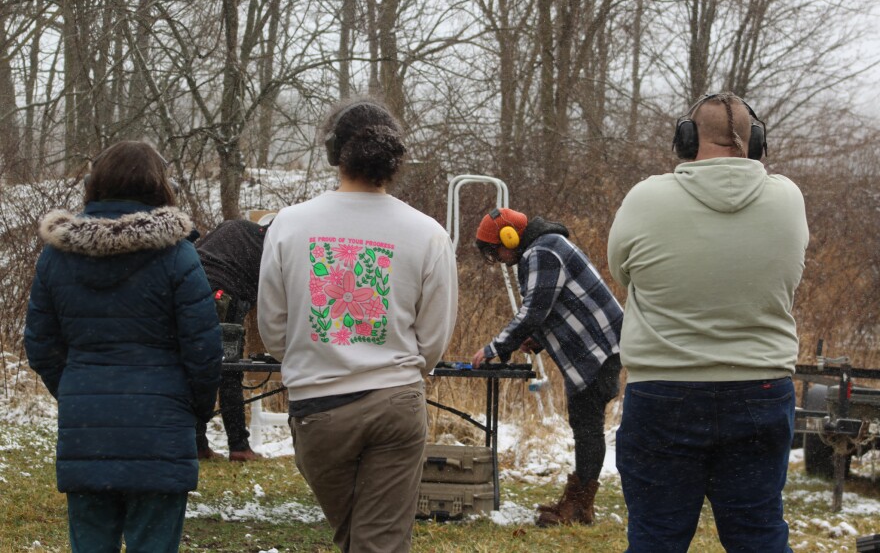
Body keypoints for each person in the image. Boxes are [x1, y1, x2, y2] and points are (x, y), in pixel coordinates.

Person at [607, 92, 809, 552]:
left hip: (663, 390)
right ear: (756, 142)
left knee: (656, 538)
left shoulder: (647, 197)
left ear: (686, 139)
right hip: (761, 388)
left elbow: (623, 271)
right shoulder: (788, 199)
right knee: (759, 535)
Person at [257, 96, 458, 553]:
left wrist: (315, 356)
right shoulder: (428, 232)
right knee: (373, 541)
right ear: (394, 160)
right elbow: (434, 340)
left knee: (362, 538)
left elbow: (273, 327)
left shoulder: (288, 225)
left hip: (318, 409)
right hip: (396, 403)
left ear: (334, 153)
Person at [24, 141, 223, 553]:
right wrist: (194, 408)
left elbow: (41, 345)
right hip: (162, 425)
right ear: (159, 186)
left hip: (86, 423)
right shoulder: (179, 256)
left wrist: (80, 388)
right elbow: (203, 349)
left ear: (95, 183)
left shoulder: (55, 257)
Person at [471, 207, 623, 527]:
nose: (496, 259)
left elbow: (534, 310)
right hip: (600, 346)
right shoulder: (545, 247)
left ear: (509, 237)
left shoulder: (542, 252)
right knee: (585, 423)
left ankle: (579, 507)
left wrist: (495, 348)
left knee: (587, 425)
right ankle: (579, 503)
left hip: (598, 348)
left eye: (495, 251)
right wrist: (537, 339)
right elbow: (556, 304)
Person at [195, 215, 273, 462]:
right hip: (222, 297)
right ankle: (239, 446)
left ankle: (196, 442)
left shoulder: (235, 227)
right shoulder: (270, 248)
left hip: (188, 291)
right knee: (229, 371)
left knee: (196, 369)